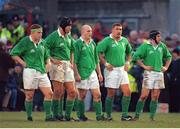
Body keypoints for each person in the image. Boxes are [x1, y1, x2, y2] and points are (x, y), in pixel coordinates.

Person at [10, 24, 54, 121]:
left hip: (42, 72)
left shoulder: (43, 43)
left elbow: (47, 57)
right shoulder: (25, 41)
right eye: (39, 32)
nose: (41, 34)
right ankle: (29, 116)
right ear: (32, 33)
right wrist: (22, 63)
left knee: (50, 93)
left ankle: (48, 116)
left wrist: (48, 64)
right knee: (29, 95)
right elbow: (13, 53)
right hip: (30, 71)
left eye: (41, 32)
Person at [132, 30, 172, 120]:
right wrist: (144, 66)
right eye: (158, 36)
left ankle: (151, 117)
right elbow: (135, 56)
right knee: (144, 95)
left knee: (155, 96)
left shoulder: (162, 46)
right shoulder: (145, 46)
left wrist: (166, 67)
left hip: (159, 73)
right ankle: (137, 115)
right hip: (148, 74)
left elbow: (169, 57)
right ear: (153, 37)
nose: (160, 38)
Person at [97, 23, 133, 121]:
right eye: (117, 29)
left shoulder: (124, 40)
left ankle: (124, 115)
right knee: (111, 93)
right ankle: (108, 115)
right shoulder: (107, 41)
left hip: (122, 69)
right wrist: (105, 63)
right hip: (111, 70)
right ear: (112, 30)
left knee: (128, 92)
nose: (119, 31)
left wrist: (128, 62)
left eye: (120, 29)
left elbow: (129, 52)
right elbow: (98, 51)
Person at [45, 17, 77, 121]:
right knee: (58, 91)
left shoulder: (69, 36)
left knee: (72, 92)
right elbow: (43, 47)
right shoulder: (54, 36)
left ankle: (67, 116)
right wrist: (52, 59)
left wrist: (71, 63)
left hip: (67, 65)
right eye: (69, 26)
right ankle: (56, 115)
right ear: (63, 26)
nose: (70, 28)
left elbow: (72, 49)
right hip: (56, 65)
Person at [74, 25, 105, 121]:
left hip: (92, 72)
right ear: (82, 31)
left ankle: (99, 116)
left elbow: (96, 60)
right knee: (82, 95)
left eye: (91, 31)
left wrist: (99, 73)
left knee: (97, 94)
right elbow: (74, 61)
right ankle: (81, 116)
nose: (90, 33)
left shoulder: (93, 43)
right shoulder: (77, 43)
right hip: (82, 73)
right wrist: (76, 74)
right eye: (88, 31)